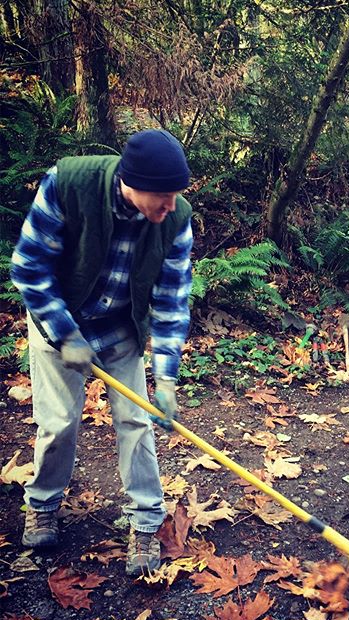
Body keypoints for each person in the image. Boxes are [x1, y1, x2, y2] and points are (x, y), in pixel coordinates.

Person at [10, 129, 193, 577]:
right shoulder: (68, 185)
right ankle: (43, 504)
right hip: (59, 322)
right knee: (57, 423)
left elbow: (171, 301)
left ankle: (147, 524)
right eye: (163, 196)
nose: (170, 206)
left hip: (120, 329)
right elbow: (29, 267)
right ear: (132, 183)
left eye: (175, 196)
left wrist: (166, 377)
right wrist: (65, 333)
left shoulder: (175, 218)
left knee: (136, 422)